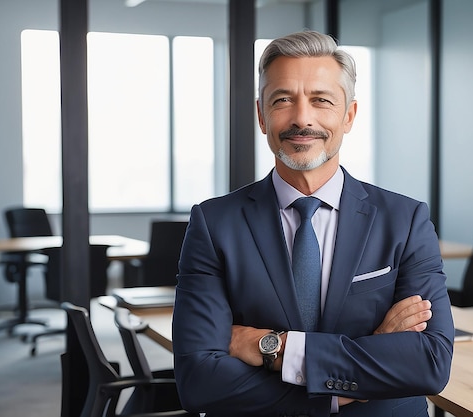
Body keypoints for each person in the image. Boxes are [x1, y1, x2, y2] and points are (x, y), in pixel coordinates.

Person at [172, 30, 454, 417]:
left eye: (321, 100)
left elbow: (429, 362)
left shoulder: (405, 220)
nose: (302, 118)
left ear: (349, 115)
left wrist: (272, 346)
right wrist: (349, 379)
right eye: (283, 100)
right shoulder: (214, 223)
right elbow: (199, 381)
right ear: (261, 115)